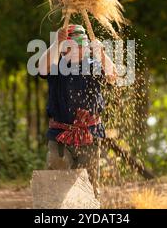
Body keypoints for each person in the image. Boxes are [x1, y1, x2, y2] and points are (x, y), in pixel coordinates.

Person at [38, 24, 116, 198]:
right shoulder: (56, 66)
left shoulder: (95, 65)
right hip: (60, 133)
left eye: (82, 46)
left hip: (89, 133)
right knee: (56, 184)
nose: (79, 50)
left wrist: (101, 53)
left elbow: (112, 76)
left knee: (88, 187)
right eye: (73, 46)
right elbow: (42, 68)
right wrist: (55, 43)